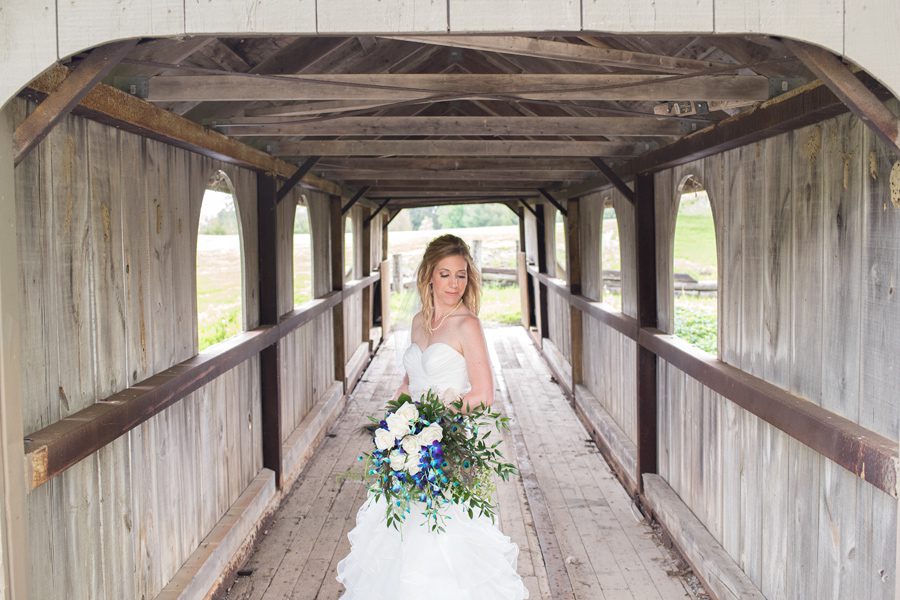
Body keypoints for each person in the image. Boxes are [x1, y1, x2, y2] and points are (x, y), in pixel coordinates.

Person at [336, 234, 528, 600]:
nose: (454, 284)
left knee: (441, 537)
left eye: (461, 275)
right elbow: (411, 380)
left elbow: (483, 395)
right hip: (410, 443)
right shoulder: (419, 322)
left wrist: (433, 422)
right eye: (445, 274)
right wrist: (396, 419)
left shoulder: (467, 325)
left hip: (447, 445)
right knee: (402, 535)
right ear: (428, 276)